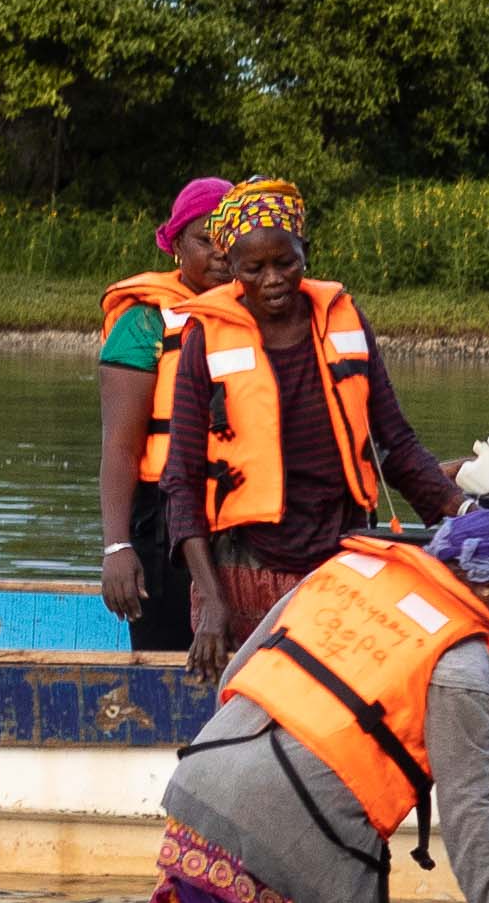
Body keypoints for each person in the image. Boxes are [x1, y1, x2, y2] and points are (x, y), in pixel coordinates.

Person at [148, 502, 489, 903]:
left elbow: (234, 679)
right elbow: (468, 816)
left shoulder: (345, 570)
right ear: (487, 582)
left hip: (197, 794)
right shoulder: (459, 662)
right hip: (287, 839)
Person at [154, 184, 455, 663]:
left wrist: (459, 513)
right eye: (255, 268)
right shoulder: (204, 342)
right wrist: (212, 604)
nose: (272, 279)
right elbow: (182, 480)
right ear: (232, 267)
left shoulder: (346, 322)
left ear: (305, 255)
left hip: (341, 559)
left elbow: (395, 444)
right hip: (243, 573)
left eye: (285, 263)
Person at [92, 174, 237, 653]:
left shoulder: (263, 313)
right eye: (204, 239)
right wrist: (117, 546)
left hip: (240, 514)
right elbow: (120, 445)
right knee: (169, 656)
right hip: (161, 521)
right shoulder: (144, 322)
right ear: (176, 245)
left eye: (229, 239)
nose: (219, 252)